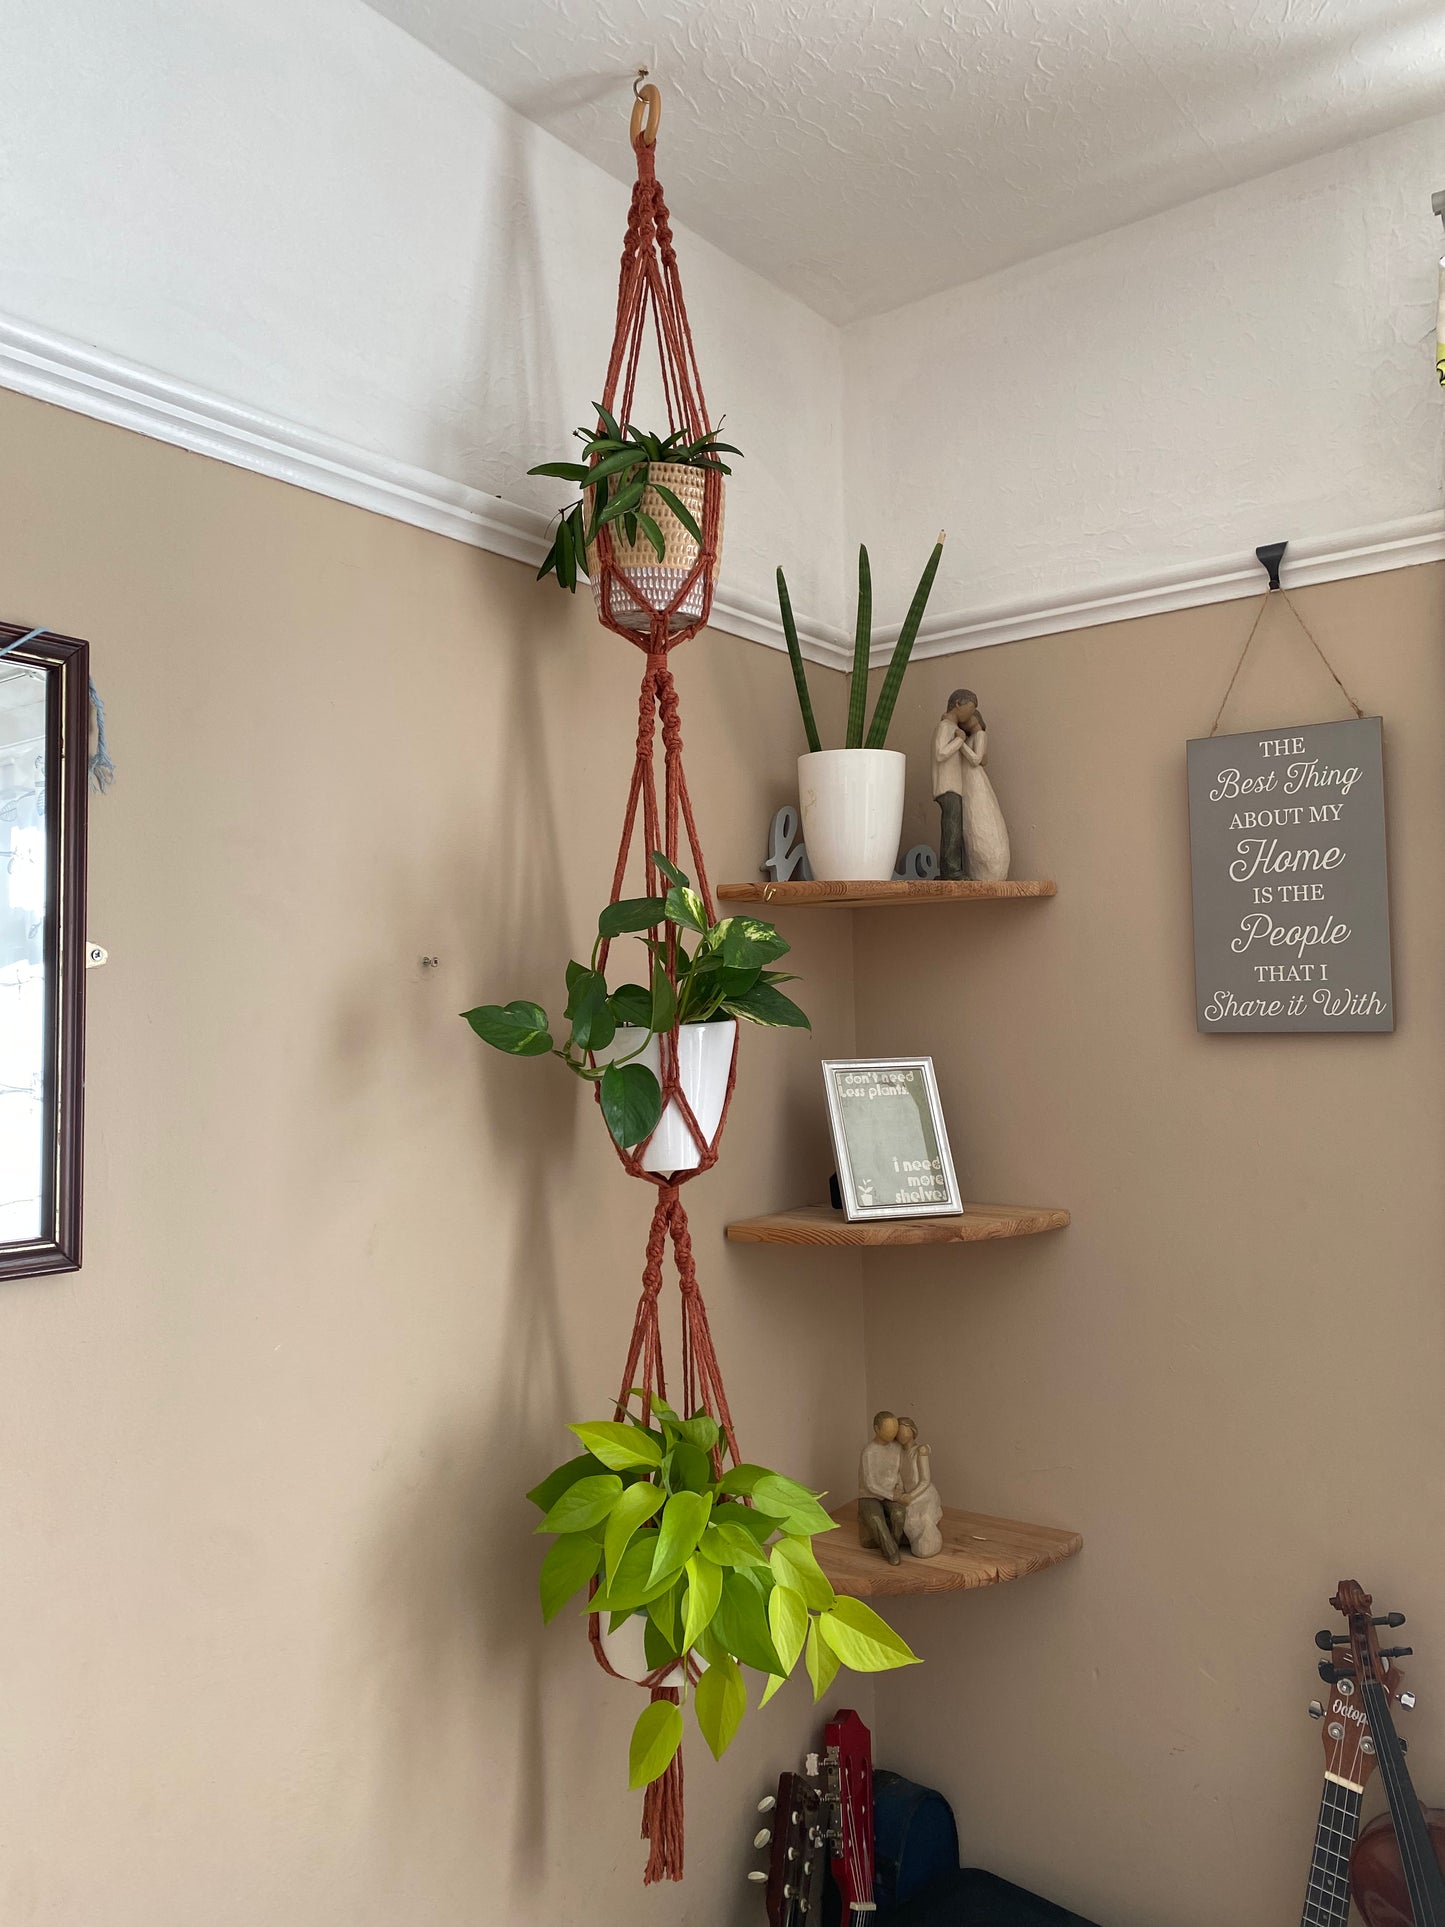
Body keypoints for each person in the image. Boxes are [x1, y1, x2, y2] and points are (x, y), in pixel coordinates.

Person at [931, 689, 1011, 883]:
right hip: (948, 785)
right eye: (971, 707)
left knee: (955, 827)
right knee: (952, 827)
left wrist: (961, 740)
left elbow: (979, 759)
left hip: (956, 785)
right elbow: (941, 753)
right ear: (958, 704)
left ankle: (954, 869)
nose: (972, 713)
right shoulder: (946, 727)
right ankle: (951, 871)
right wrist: (959, 739)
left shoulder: (960, 730)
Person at [857, 1410, 905, 1565]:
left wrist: (899, 1487)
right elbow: (870, 1484)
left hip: (891, 1493)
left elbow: (899, 1472)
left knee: (898, 1514)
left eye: (894, 1430)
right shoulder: (869, 1452)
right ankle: (891, 1552)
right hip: (869, 1495)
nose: (892, 1434)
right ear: (877, 1429)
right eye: (888, 1430)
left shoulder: (897, 1448)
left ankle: (893, 1544)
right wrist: (892, 1496)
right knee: (875, 1518)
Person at [895, 1416, 944, 1558]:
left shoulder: (920, 1450)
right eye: (898, 1431)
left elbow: (925, 1480)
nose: (901, 1434)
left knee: (918, 1518)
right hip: (907, 1494)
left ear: (913, 1431)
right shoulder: (899, 1453)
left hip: (923, 1494)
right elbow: (901, 1477)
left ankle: (927, 1544)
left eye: (904, 1430)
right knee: (900, 1514)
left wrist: (911, 1496)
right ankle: (906, 1540)